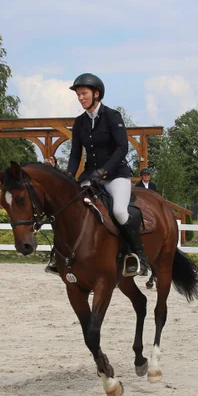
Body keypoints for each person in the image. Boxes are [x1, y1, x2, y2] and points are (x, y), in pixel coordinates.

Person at [47, 72, 147, 277]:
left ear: (96, 94)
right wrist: (68, 176)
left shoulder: (112, 116)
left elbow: (122, 148)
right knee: (68, 208)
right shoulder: (79, 123)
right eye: (78, 95)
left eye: (83, 93)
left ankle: (137, 257)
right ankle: (60, 257)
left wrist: (104, 171)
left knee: (119, 211)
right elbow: (75, 155)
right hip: (90, 176)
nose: (80, 98)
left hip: (116, 175)